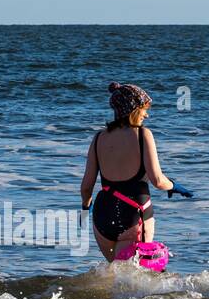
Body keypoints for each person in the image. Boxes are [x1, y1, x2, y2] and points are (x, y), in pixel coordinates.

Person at [80, 82, 192, 262]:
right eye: (143, 109)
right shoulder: (142, 134)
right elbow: (157, 180)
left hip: (102, 216)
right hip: (133, 214)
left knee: (114, 273)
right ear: (132, 110)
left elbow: (86, 187)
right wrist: (174, 186)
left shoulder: (99, 138)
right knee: (137, 275)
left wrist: (86, 209)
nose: (146, 114)